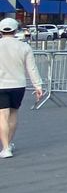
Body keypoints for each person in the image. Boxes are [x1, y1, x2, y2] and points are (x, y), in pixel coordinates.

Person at [0, 17, 44, 158]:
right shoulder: (24, 47)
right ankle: (9, 144)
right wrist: (38, 86)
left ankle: (5, 147)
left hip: (1, 85)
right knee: (13, 114)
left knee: (2, 116)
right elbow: (31, 68)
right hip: (18, 85)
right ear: (16, 30)